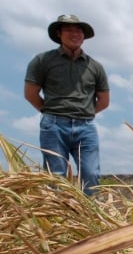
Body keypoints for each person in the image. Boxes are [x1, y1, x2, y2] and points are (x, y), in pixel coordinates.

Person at [24, 14, 110, 196]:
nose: (75, 34)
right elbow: (31, 94)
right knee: (56, 177)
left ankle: (92, 219)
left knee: (91, 174)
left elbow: (104, 101)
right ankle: (59, 220)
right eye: (69, 30)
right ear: (58, 33)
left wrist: (84, 113)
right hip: (54, 125)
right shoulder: (43, 61)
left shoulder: (95, 67)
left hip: (86, 126)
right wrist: (52, 114)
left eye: (79, 30)